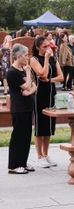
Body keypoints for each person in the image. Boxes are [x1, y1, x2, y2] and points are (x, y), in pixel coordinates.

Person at [30, 36, 64, 168]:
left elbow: (61, 77)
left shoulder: (53, 59)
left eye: (48, 46)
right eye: (44, 46)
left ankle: (46, 154)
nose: (47, 48)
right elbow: (42, 74)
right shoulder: (34, 59)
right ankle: (39, 156)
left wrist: (51, 80)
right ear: (38, 47)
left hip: (51, 94)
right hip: (39, 95)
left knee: (49, 127)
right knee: (40, 127)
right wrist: (45, 59)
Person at [7, 44, 37, 174]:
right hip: (18, 108)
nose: (27, 57)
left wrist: (30, 92)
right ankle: (14, 166)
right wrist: (29, 73)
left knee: (26, 137)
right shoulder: (12, 72)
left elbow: (34, 86)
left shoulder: (22, 70)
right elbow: (27, 85)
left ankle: (22, 163)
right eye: (25, 55)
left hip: (27, 107)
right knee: (18, 137)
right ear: (19, 56)